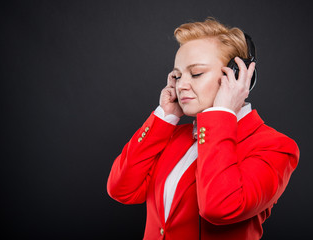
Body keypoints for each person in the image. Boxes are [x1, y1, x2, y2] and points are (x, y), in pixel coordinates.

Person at [107, 17, 299, 240]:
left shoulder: (275, 147)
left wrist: (221, 114)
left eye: (196, 73)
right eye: (177, 76)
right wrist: (164, 116)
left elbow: (220, 208)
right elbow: (121, 189)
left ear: (236, 75)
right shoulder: (172, 135)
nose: (181, 85)